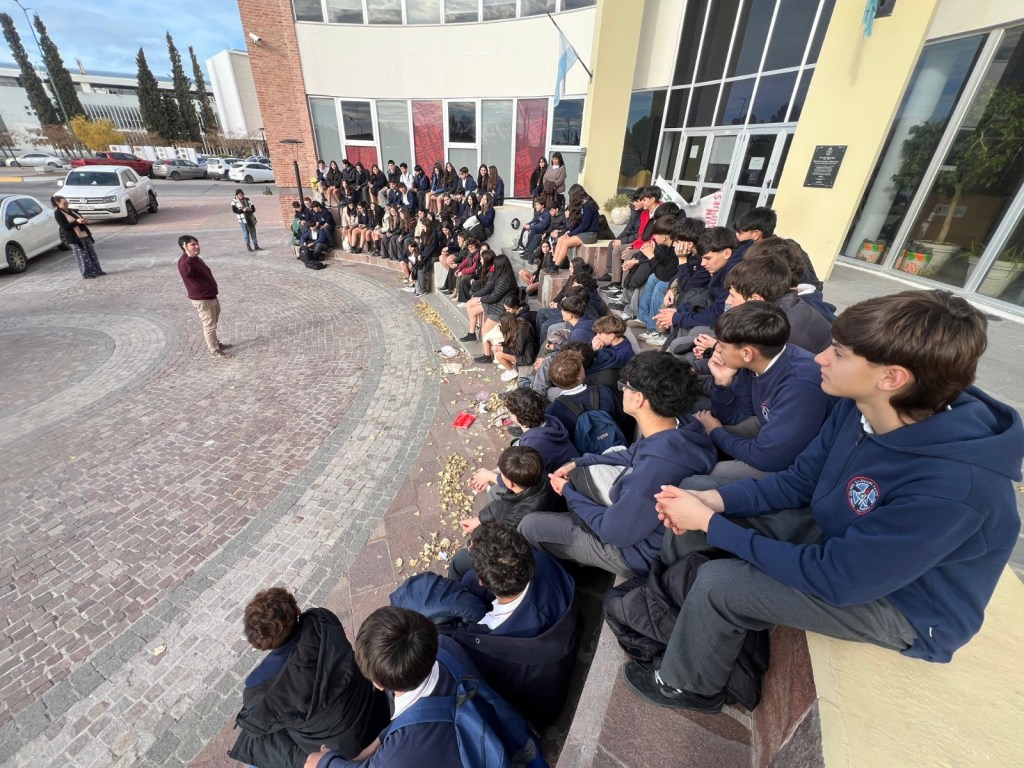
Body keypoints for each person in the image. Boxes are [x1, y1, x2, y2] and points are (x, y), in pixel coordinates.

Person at [631, 289, 1024, 715]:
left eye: (837, 353)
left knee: (719, 585)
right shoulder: (860, 406)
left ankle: (687, 686)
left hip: (905, 606)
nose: (819, 358)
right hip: (843, 538)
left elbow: (840, 578)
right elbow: (799, 481)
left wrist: (713, 523)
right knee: (695, 513)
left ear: (891, 377)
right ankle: (674, 618)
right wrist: (712, 500)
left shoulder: (954, 486)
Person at [519, 352, 716, 578]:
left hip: (634, 554)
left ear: (639, 398)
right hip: (643, 523)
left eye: (626, 386)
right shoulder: (681, 425)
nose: (621, 389)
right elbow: (633, 453)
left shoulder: (653, 473)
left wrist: (568, 491)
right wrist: (579, 462)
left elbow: (611, 532)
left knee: (530, 525)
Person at [306, 606, 542, 768]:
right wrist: (370, 748)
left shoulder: (402, 752)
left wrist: (325, 762)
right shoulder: (446, 648)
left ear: (378, 684)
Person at [393, 523, 578, 729]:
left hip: (536, 713)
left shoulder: (485, 643)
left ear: (482, 581)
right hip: (552, 660)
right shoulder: (545, 562)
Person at [228, 588, 390, 767]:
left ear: (261, 645)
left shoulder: (258, 688)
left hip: (338, 751)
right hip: (371, 709)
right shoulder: (323, 621)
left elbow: (258, 724)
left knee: (254, 742)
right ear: (297, 611)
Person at [692, 301, 834, 483]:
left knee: (715, 472)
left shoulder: (799, 385)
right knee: (701, 430)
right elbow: (734, 416)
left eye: (722, 345)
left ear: (747, 353)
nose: (717, 349)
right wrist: (721, 383)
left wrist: (716, 433)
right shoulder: (753, 364)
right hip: (772, 429)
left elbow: (768, 458)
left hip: (803, 461)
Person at [177, 235, 231, 360]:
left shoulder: (195, 259)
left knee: (213, 322)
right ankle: (214, 351)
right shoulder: (185, 262)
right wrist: (189, 255)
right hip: (203, 299)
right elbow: (186, 272)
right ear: (184, 246)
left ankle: (216, 344)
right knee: (209, 326)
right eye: (193, 245)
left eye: (197, 243)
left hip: (210, 296)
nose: (197, 246)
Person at [53, 195, 104, 279]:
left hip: (84, 234)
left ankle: (97, 270)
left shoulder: (71, 211)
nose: (66, 205)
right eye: (64, 203)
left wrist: (83, 221)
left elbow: (79, 219)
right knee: (82, 255)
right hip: (75, 237)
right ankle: (87, 273)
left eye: (67, 203)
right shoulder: (58, 213)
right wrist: (76, 222)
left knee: (91, 253)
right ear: (57, 203)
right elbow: (64, 226)